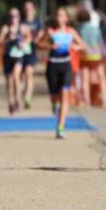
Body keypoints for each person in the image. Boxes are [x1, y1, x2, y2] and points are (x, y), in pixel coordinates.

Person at [39, 8, 85, 138]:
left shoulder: (71, 31)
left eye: (63, 16)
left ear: (66, 19)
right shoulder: (50, 31)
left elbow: (83, 44)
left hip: (66, 65)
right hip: (53, 65)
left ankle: (60, 127)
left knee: (65, 94)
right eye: (58, 15)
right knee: (55, 96)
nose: (60, 18)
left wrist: (76, 47)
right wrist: (50, 46)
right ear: (55, 18)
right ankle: (54, 103)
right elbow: (40, 44)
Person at [76, 8, 106, 108]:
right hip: (96, 55)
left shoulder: (78, 29)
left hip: (84, 55)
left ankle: (87, 101)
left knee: (85, 78)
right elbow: (101, 43)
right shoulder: (95, 28)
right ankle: (105, 99)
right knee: (102, 77)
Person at [0, 7, 23, 114]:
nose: (13, 18)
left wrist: (24, 44)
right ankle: (10, 103)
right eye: (11, 16)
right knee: (9, 81)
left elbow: (30, 38)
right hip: (7, 56)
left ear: (19, 17)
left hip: (18, 56)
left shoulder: (22, 28)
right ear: (8, 18)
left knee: (16, 76)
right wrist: (8, 40)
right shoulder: (5, 29)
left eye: (16, 16)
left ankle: (18, 100)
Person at [20, 1, 43, 109]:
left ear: (34, 10)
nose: (28, 11)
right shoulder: (21, 22)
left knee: (29, 73)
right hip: (20, 52)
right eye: (26, 8)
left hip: (31, 52)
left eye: (30, 8)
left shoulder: (38, 22)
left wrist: (37, 38)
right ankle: (21, 92)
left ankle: (28, 97)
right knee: (21, 75)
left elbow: (41, 32)